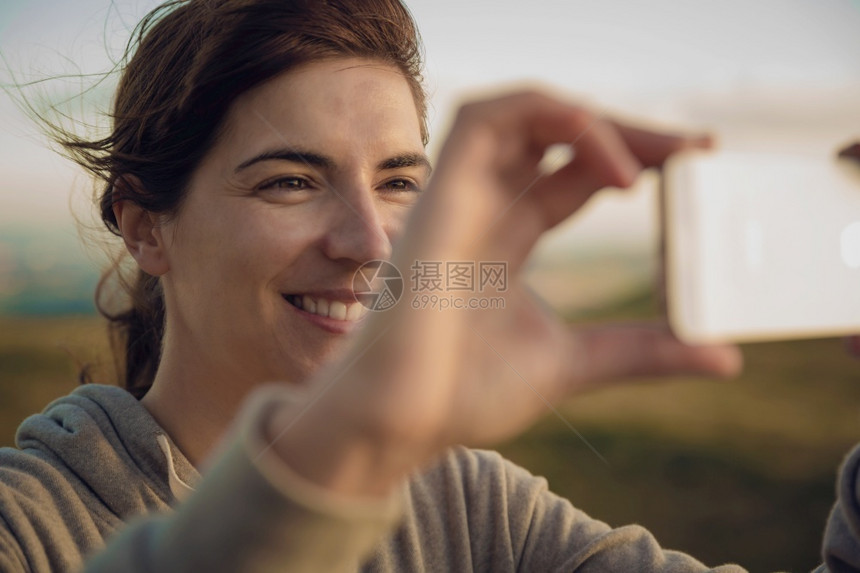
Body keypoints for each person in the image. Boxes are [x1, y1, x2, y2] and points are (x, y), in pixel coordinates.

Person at [0, 0, 857, 571]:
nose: (371, 242)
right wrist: (339, 462)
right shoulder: (30, 525)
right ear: (148, 224)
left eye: (401, 181)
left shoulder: (470, 504)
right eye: (290, 180)